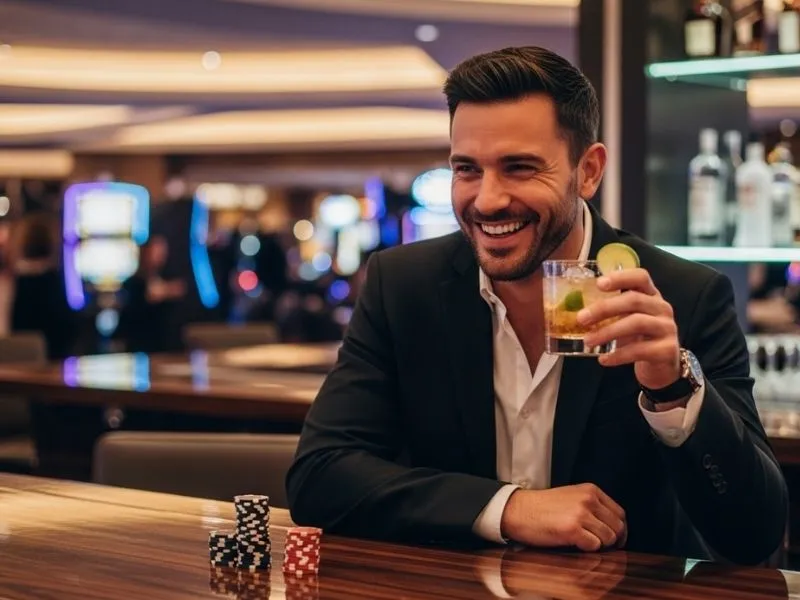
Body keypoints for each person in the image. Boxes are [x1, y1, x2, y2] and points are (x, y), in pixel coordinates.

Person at [285, 46, 787, 565]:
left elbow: (753, 533)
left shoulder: (681, 296)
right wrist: (508, 508)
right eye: (467, 169)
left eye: (520, 168)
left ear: (588, 171)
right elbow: (321, 476)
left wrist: (673, 389)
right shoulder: (403, 285)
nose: (488, 200)